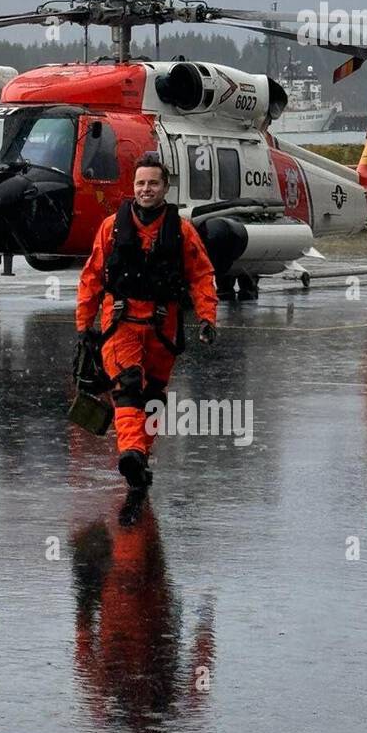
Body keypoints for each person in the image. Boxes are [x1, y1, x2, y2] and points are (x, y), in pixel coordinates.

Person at [75, 152, 217, 491]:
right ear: (133, 186)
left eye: (153, 183)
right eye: (141, 183)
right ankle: (132, 452)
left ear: (165, 187)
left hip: (161, 326)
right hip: (120, 321)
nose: (146, 189)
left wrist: (208, 317)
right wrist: (84, 325)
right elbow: (92, 276)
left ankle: (140, 459)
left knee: (153, 395)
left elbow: (201, 275)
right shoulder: (112, 227)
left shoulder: (181, 231)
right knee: (127, 387)